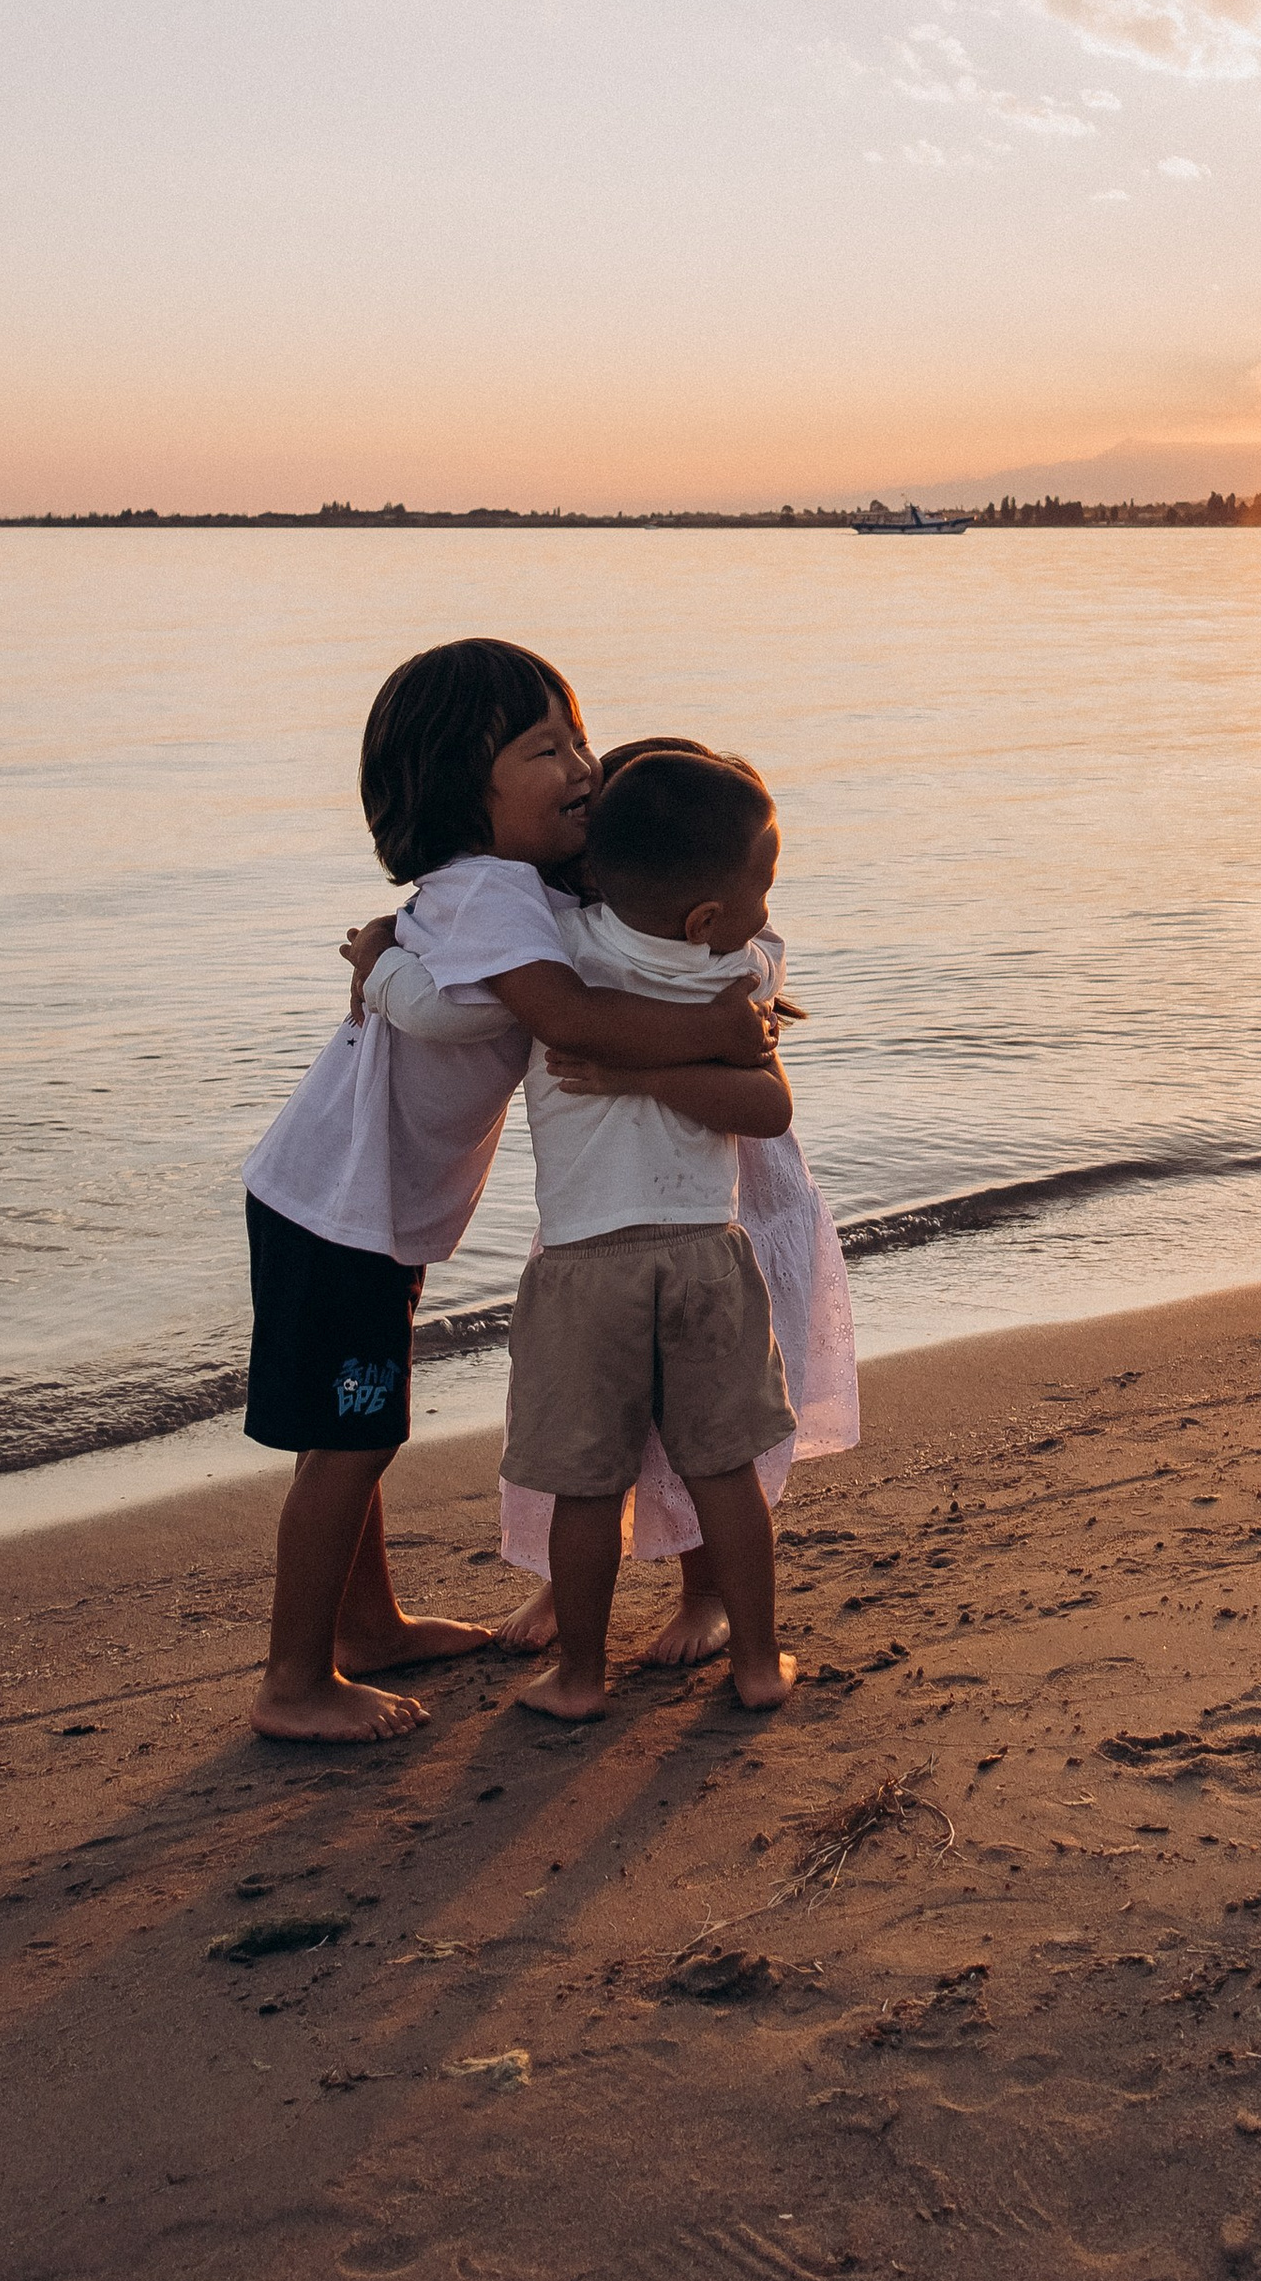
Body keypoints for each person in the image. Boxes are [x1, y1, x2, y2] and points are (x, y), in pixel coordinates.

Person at [241, 640, 776, 1745]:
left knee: (360, 1421)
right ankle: (294, 1680)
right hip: (339, 1208)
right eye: (544, 747)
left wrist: (386, 951)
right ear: (459, 792)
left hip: (363, 1205)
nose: (583, 762)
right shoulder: (488, 891)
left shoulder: (506, 886)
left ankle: (368, 1626)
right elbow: (568, 1022)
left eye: (578, 736)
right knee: (350, 1437)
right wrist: (720, 1029)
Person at [349, 732, 859, 1673]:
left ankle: (698, 1597)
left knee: (682, 1439)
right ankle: (596, 1590)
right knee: (630, 1441)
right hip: (614, 1213)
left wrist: (382, 958)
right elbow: (497, 996)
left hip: (728, 1198)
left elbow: (752, 1080)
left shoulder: (732, 958)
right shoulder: (569, 946)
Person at [489, 745, 804, 1718]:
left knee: (586, 1488)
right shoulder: (735, 973)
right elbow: (765, 1111)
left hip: (582, 1266)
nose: (767, 912)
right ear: (705, 917)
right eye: (764, 888)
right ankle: (756, 1665)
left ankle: (581, 1677)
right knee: (724, 1474)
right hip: (703, 1254)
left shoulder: (556, 954)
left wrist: (383, 950)